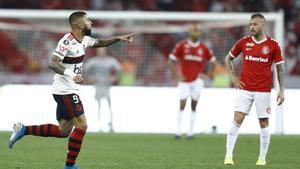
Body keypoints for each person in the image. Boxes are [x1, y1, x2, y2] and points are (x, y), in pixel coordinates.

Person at [8, 11, 136, 169]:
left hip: (69, 89)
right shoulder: (66, 41)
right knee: (82, 125)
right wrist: (71, 74)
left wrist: (119, 38)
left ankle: (23, 129)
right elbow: (53, 63)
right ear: (80, 25)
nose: (91, 23)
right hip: (64, 89)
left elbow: (101, 42)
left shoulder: (85, 40)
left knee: (63, 131)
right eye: (88, 21)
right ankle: (70, 166)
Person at [223, 13, 285, 166]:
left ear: (262, 25)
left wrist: (281, 90)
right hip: (245, 89)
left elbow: (280, 68)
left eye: (255, 24)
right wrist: (233, 77)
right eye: (250, 24)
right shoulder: (243, 42)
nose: (251, 27)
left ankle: (262, 158)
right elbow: (228, 59)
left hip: (263, 90)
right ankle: (228, 156)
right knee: (237, 119)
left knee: (263, 122)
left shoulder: (273, 45)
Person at [168, 23, 218, 139]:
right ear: (189, 33)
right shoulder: (182, 45)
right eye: (193, 31)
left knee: (194, 105)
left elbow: (214, 63)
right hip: (184, 80)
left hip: (197, 81)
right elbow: (170, 61)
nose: (195, 33)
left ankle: (191, 131)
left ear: (200, 33)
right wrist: (177, 75)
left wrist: (207, 75)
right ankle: (178, 131)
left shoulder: (204, 48)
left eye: (198, 31)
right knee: (182, 104)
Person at [84, 48, 121, 132]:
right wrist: (90, 78)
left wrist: (114, 78)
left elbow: (119, 70)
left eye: (103, 51)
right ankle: (99, 125)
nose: (101, 52)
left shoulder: (111, 61)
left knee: (110, 106)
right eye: (100, 51)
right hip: (97, 86)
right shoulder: (93, 61)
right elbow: (85, 70)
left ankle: (111, 125)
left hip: (107, 86)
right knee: (98, 106)